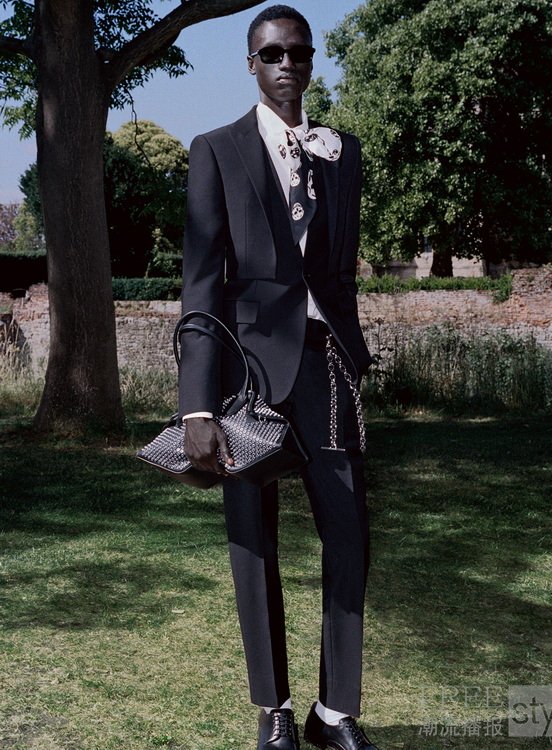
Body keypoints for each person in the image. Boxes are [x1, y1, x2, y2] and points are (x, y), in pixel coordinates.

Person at [178, 5, 378, 749]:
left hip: (328, 368)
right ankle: (275, 710)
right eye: (271, 54)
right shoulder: (217, 150)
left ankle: (336, 712)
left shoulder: (342, 153)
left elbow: (340, 271)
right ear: (251, 64)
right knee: (252, 540)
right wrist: (197, 404)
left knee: (350, 534)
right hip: (249, 377)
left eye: (298, 52)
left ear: (311, 60)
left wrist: (354, 353)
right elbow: (202, 283)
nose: (286, 64)